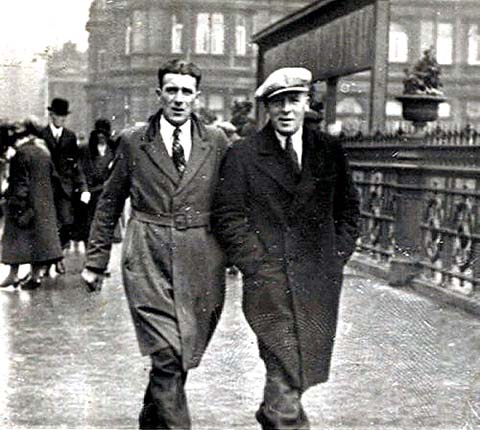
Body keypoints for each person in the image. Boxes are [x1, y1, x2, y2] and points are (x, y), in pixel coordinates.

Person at [81, 59, 229, 429]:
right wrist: (95, 260)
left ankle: (152, 422)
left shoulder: (216, 142)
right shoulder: (134, 141)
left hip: (201, 259)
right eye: (171, 90)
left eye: (186, 91)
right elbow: (110, 203)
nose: (178, 99)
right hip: (148, 253)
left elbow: (233, 202)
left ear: (197, 96)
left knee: (181, 355)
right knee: (165, 354)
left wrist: (244, 254)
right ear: (158, 93)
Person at [212, 67, 360, 430]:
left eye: (294, 100)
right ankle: (282, 418)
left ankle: (272, 413)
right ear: (267, 108)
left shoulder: (328, 150)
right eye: (277, 103)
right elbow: (228, 216)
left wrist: (336, 257)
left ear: (306, 102)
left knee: (298, 368)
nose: (286, 110)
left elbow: (349, 209)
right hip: (269, 284)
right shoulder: (244, 155)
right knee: (283, 366)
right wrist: (255, 265)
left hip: (317, 282)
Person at [0, 122, 64, 290]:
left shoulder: (20, 155)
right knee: (38, 243)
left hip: (25, 205)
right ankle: (35, 277)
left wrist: (15, 202)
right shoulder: (43, 153)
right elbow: (55, 179)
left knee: (15, 239)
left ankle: (13, 275)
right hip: (43, 205)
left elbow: (20, 184)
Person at [40, 98, 90, 273]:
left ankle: (59, 257)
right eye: (58, 115)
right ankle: (47, 262)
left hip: (65, 189)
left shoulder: (70, 136)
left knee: (65, 224)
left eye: (64, 116)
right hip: (46, 187)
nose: (61, 119)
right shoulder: (42, 135)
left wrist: (83, 188)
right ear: (51, 115)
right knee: (47, 225)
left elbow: (75, 165)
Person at [76, 119, 116, 247]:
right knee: (88, 226)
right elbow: (80, 170)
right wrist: (84, 189)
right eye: (98, 134)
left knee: (104, 226)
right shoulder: (86, 149)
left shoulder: (114, 150)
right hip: (90, 194)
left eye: (103, 134)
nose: (101, 137)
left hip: (107, 193)